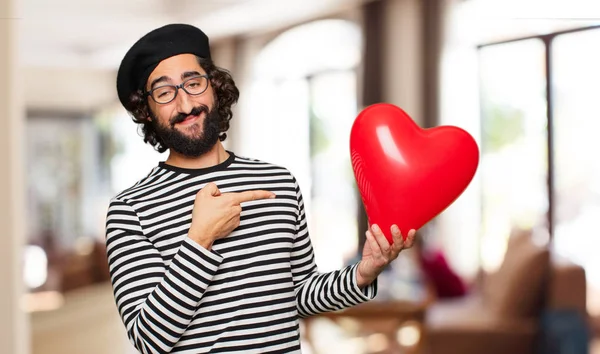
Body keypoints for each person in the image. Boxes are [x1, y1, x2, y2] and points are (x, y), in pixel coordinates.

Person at [106, 23, 416, 354]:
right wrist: (199, 240)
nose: (185, 104)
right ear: (147, 112)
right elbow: (150, 341)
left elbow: (299, 293)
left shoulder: (278, 181)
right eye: (164, 92)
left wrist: (361, 275)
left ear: (215, 88)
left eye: (193, 83)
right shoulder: (130, 211)